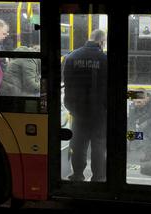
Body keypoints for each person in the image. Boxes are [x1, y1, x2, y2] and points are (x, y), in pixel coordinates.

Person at [63, 29, 107, 182]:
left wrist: (70, 106)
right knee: (99, 145)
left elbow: (67, 84)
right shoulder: (104, 59)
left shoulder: (71, 57)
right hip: (99, 112)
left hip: (78, 110)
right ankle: (98, 177)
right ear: (101, 42)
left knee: (78, 144)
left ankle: (77, 175)